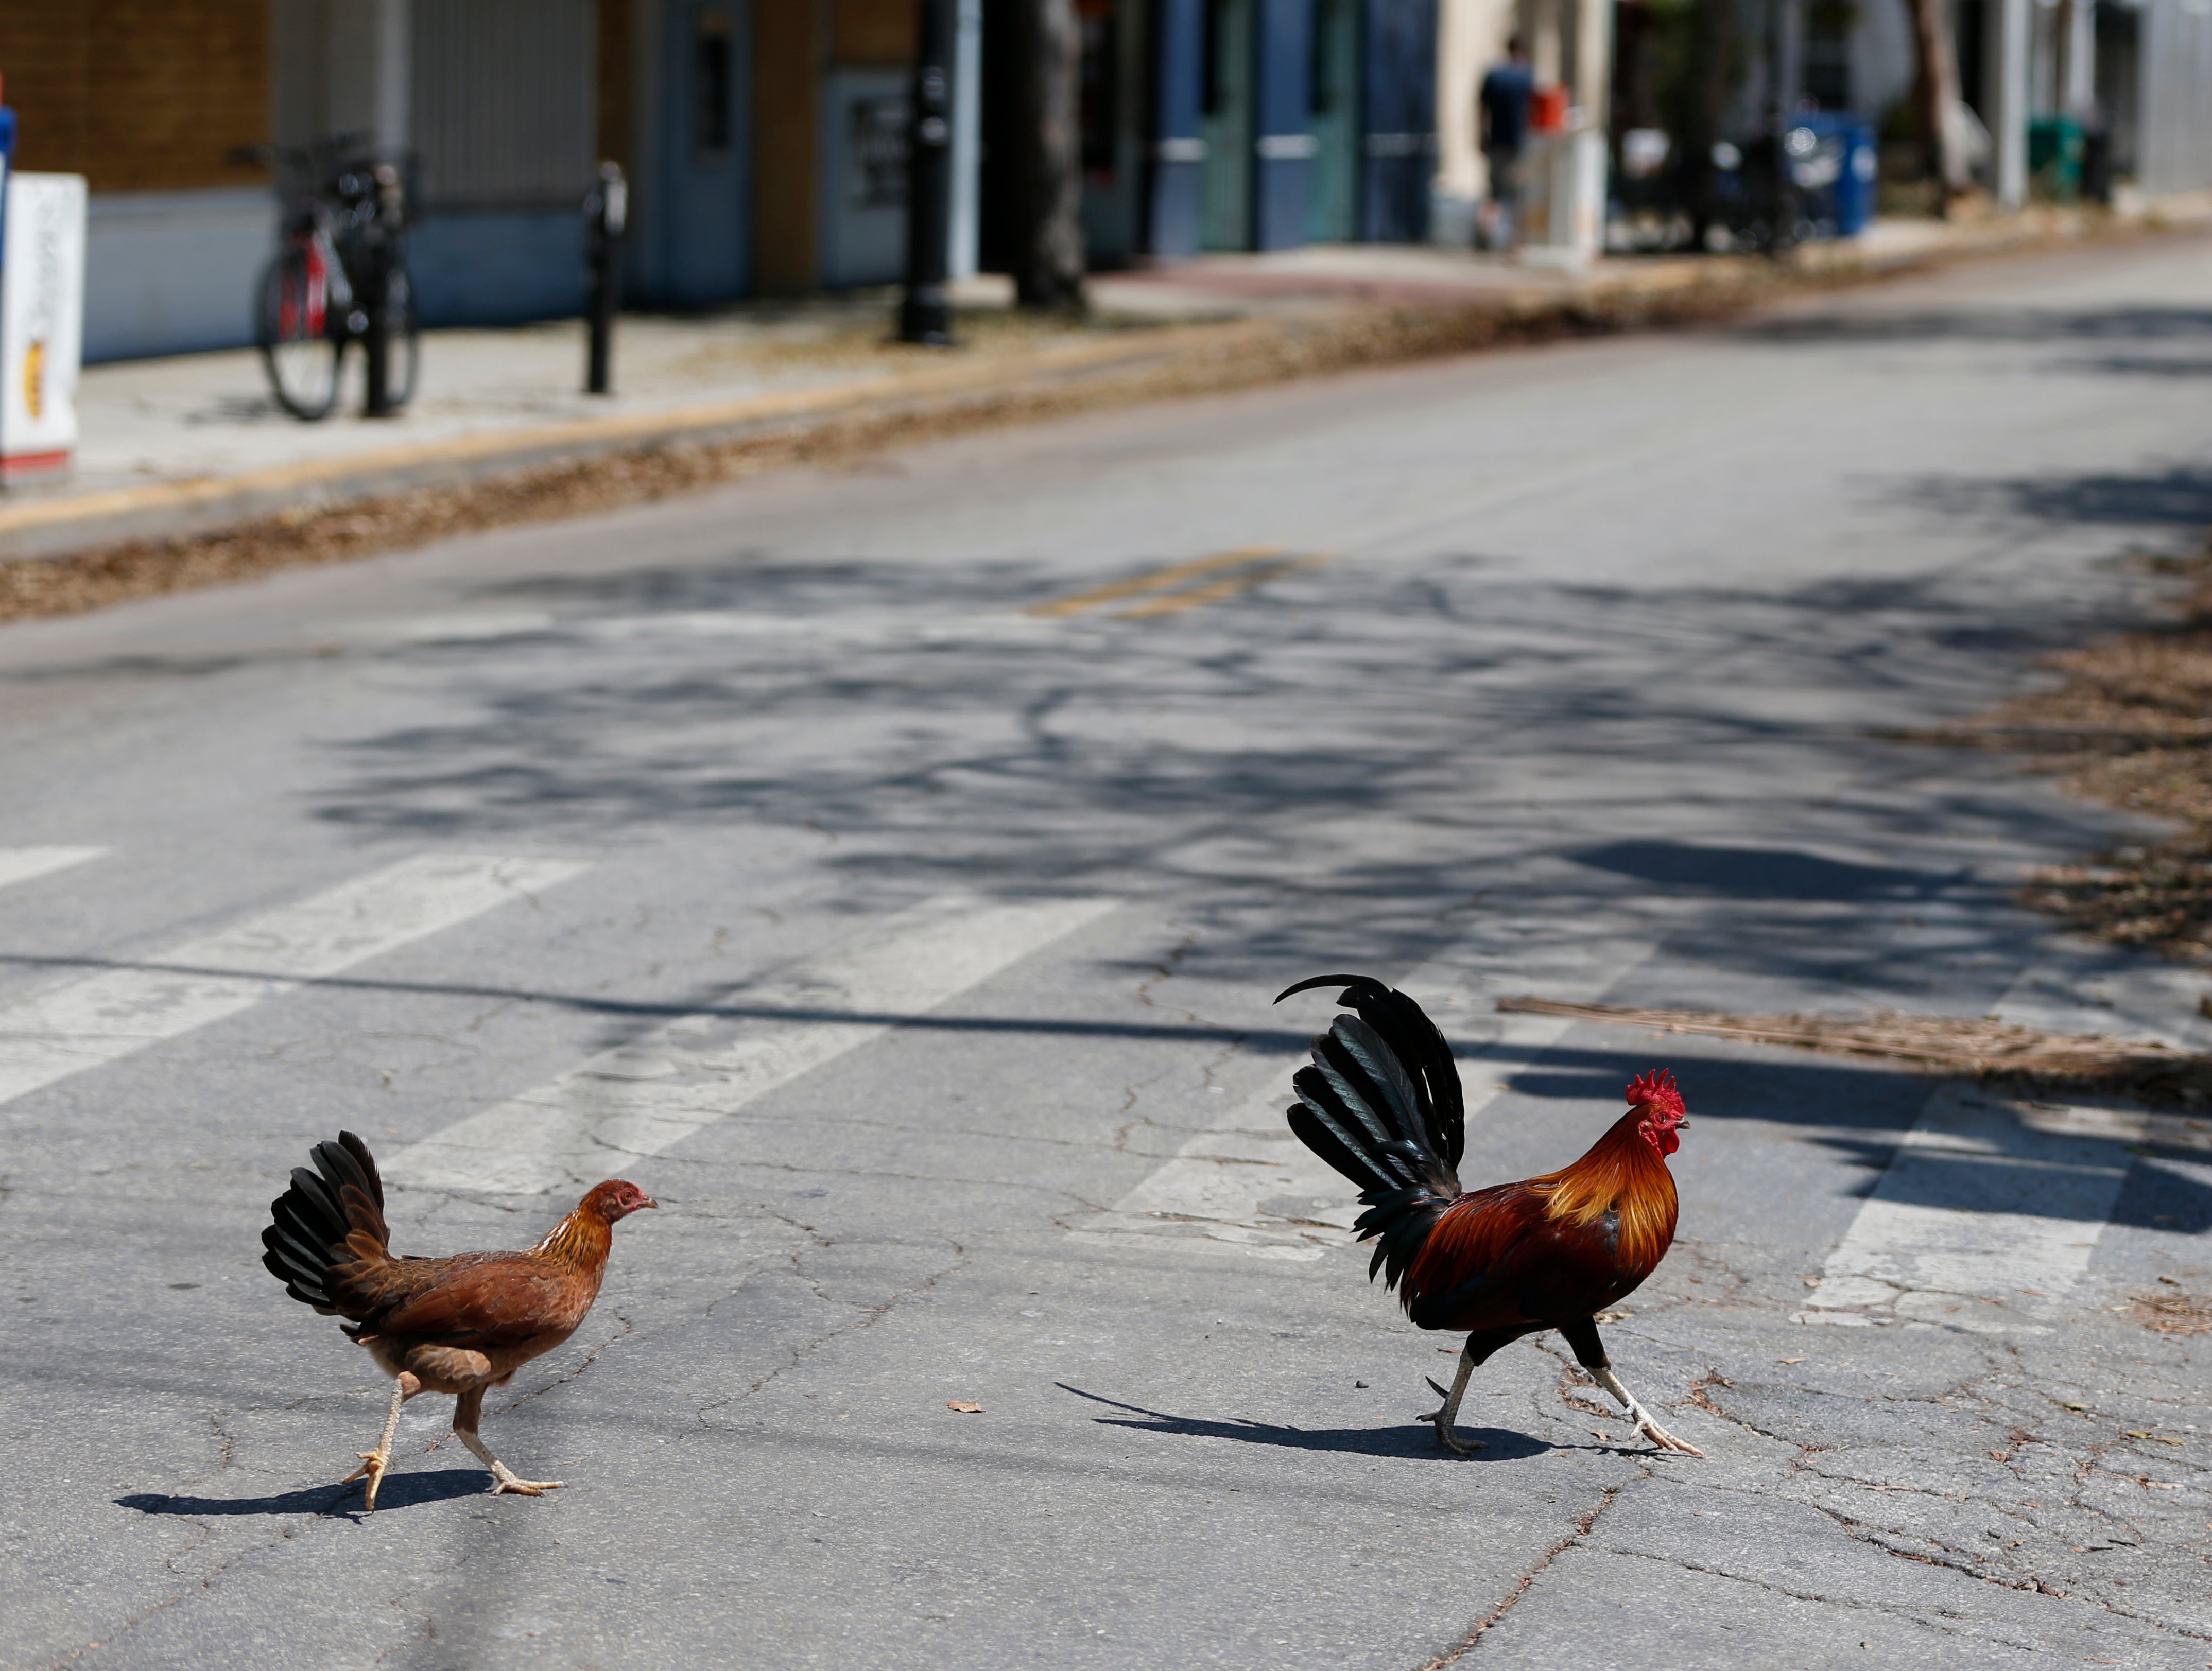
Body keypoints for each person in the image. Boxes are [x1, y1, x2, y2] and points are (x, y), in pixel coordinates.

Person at [1478, 36, 1534, 250]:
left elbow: (1482, 110)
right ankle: (1515, 244)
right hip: (1521, 142)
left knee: (1494, 192)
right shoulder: (1527, 77)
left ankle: (1486, 232)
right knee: (1520, 195)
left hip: (1496, 141)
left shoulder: (1494, 77)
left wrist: (1481, 136)